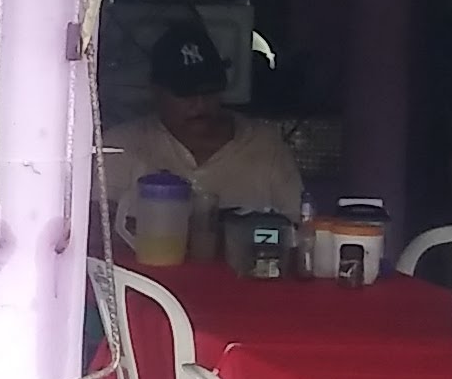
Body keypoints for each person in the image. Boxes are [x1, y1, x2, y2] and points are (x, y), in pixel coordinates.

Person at [97, 23, 310, 254]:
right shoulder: (120, 145)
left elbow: (299, 228)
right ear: (156, 91)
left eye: (208, 92)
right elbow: (94, 229)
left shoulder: (266, 145)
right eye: (185, 94)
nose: (199, 104)